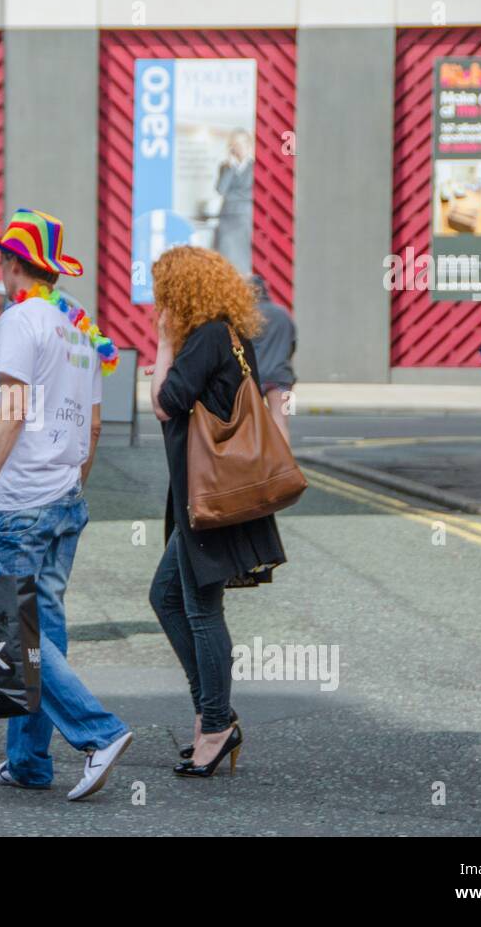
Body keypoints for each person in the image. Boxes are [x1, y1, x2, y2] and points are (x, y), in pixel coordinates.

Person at [0, 207, 131, 802]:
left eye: (1, 259)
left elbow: (10, 413)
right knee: (43, 631)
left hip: (21, 503)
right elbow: (96, 427)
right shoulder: (81, 329)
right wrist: (70, 485)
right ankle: (28, 761)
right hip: (62, 500)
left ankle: (98, 733)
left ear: (11, 265)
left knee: (14, 633)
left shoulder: (21, 320)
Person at [148, 246, 287, 777]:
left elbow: (164, 403)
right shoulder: (229, 333)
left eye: (164, 292)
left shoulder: (206, 336)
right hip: (213, 495)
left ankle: (215, 723)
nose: (159, 303)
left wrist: (162, 343)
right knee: (166, 597)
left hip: (209, 497)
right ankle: (214, 715)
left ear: (180, 293)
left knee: (201, 610)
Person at [249, 274, 296, 443]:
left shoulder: (248, 315)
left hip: (254, 378)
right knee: (280, 421)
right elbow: (292, 343)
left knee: (251, 423)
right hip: (282, 377)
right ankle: (284, 465)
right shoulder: (283, 313)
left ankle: (259, 463)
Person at [213, 130, 254, 275]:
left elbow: (251, 194)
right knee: (224, 257)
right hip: (226, 217)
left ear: (249, 145)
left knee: (244, 258)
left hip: (244, 217)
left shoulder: (254, 167)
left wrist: (233, 195)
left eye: (242, 143)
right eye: (235, 144)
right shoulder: (225, 167)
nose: (239, 147)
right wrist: (230, 167)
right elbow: (221, 190)